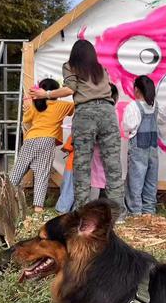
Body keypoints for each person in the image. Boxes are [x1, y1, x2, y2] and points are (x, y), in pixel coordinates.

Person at [30, 40, 126, 220]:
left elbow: (69, 89)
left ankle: (82, 213)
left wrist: (46, 94)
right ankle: (117, 215)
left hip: (86, 113)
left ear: (74, 54)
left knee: (82, 165)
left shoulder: (70, 66)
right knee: (113, 165)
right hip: (108, 112)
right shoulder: (101, 69)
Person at [11, 78, 74, 212]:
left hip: (30, 139)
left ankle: (2, 197)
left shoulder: (35, 105)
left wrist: (28, 104)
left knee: (17, 171)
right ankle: (38, 208)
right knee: (42, 173)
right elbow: (75, 107)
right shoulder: (62, 106)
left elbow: (26, 119)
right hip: (47, 140)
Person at [56, 84, 119, 213]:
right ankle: (72, 209)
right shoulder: (108, 113)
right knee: (84, 184)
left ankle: (68, 208)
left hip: (83, 157)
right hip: (91, 157)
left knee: (76, 184)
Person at [122, 75, 166, 216]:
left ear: (136, 89)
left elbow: (128, 125)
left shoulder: (133, 106)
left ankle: (135, 211)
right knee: (151, 179)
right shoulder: (155, 105)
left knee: (135, 181)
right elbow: (164, 120)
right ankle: (149, 210)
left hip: (138, 148)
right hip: (152, 147)